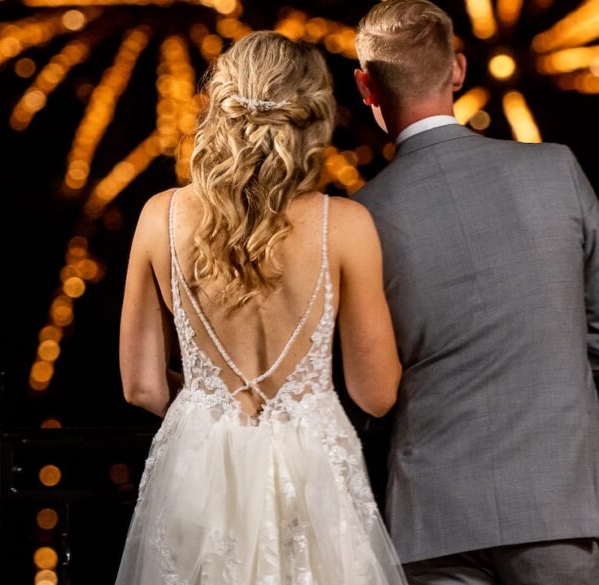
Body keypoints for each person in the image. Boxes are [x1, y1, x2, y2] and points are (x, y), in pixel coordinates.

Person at [351, 1, 599, 583]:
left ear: (366, 86)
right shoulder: (555, 170)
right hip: (557, 499)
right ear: (457, 70)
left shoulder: (360, 217)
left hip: (433, 514)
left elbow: (363, 383)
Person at [114, 31, 407, 584]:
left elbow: (142, 387)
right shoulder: (343, 226)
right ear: (313, 114)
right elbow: (376, 392)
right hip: (310, 473)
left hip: (199, 471)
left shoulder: (161, 216)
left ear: (220, 103)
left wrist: (212, 408)